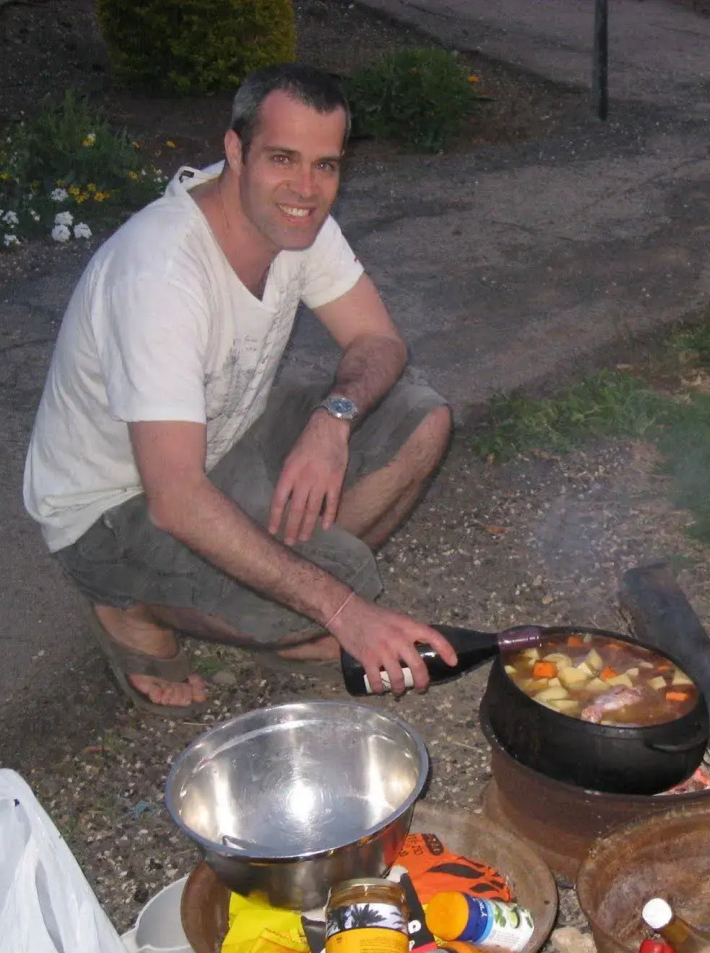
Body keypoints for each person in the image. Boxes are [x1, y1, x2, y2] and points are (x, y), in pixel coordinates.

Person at [23, 64, 457, 716]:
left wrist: (331, 422)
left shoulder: (298, 220)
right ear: (235, 150)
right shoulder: (162, 276)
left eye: (326, 166)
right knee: (343, 586)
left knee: (421, 420)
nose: (307, 189)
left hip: (226, 440)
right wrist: (344, 611)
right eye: (283, 159)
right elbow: (175, 501)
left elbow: (379, 342)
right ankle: (130, 607)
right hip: (115, 508)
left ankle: (276, 614)